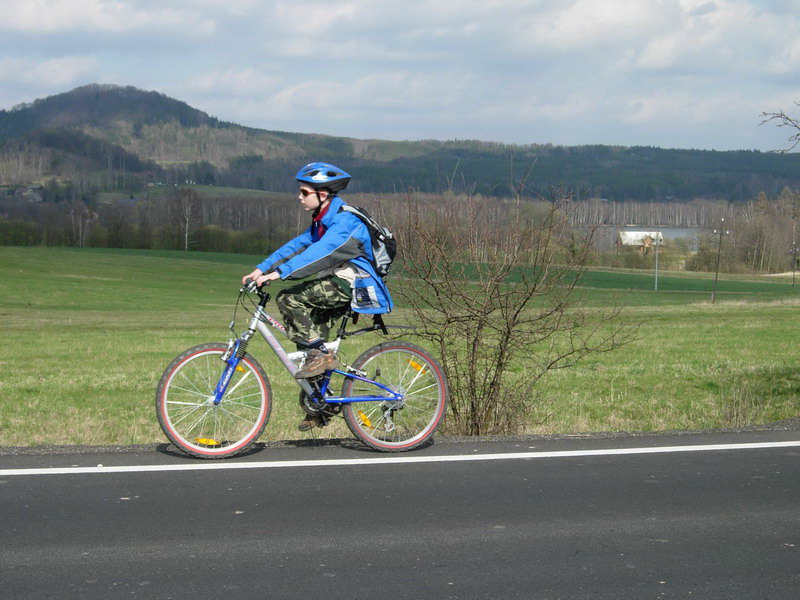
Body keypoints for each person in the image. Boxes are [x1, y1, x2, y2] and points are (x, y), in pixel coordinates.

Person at [241, 162, 393, 430]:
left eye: (304, 192)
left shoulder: (346, 222)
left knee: (288, 299)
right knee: (309, 350)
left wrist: (279, 274)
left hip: (354, 283)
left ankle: (322, 358)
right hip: (336, 278)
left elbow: (319, 253)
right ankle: (322, 403)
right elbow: (298, 244)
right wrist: (261, 268)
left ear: (323, 194)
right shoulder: (323, 220)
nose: (299, 197)